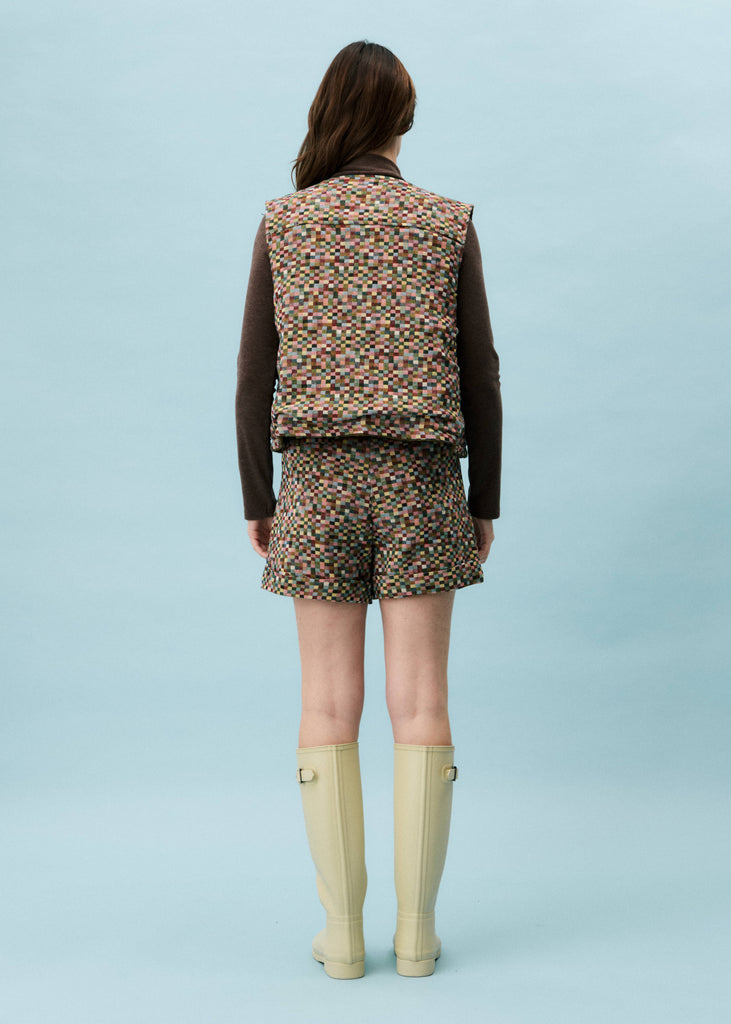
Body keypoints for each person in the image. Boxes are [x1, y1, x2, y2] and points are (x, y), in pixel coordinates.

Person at [234, 40, 502, 980]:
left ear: (328, 114)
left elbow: (254, 373)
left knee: (325, 701)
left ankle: (342, 937)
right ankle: (417, 937)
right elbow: (479, 373)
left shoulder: (285, 222)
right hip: (422, 480)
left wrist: (260, 497)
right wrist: (483, 498)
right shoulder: (445, 221)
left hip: (313, 483)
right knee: (421, 700)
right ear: (402, 120)